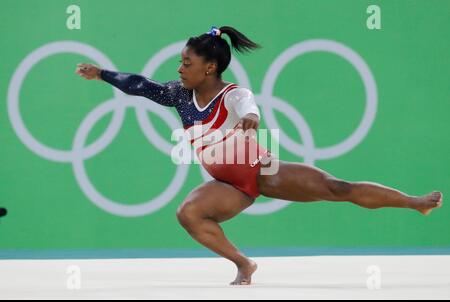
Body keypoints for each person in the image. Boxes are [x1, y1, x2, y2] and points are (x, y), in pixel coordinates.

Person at [75, 26, 443, 285]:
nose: (179, 68)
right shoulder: (178, 94)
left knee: (337, 187)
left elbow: (248, 108)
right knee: (188, 213)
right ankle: (244, 264)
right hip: (227, 184)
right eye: (180, 61)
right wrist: (102, 74)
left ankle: (415, 202)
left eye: (186, 62)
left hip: (262, 169)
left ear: (210, 67)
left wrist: (250, 121)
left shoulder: (233, 94)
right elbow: (141, 86)